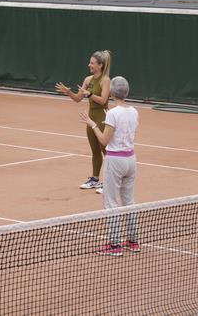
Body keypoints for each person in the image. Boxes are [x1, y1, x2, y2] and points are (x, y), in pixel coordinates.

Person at [81, 76, 140, 256]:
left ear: (113, 93)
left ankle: (114, 245)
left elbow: (104, 141)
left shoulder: (112, 114)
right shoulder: (135, 112)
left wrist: (92, 125)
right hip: (131, 160)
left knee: (111, 203)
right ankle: (133, 241)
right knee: (129, 201)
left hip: (115, 161)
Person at [55, 50, 112, 190]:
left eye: (92, 63)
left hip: (103, 119)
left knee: (106, 151)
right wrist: (68, 92)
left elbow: (103, 100)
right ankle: (95, 179)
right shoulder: (88, 80)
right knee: (95, 151)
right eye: (90, 63)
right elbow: (78, 99)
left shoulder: (106, 80)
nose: (89, 65)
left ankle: (110, 182)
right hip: (90, 119)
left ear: (100, 65)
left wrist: (90, 94)